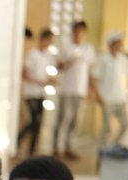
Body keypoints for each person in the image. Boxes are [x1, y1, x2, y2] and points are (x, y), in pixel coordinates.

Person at [53, 21, 95, 160]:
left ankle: (68, 147)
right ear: (73, 32)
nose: (78, 34)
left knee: (75, 121)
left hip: (80, 90)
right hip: (66, 88)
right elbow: (58, 65)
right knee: (63, 118)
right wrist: (69, 61)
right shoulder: (65, 46)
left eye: (81, 31)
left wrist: (90, 88)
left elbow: (89, 71)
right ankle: (56, 147)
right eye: (76, 31)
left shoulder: (88, 49)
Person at [18, 30, 55, 157]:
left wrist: (49, 80)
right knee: (33, 120)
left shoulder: (47, 56)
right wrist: (39, 81)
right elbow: (25, 73)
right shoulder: (32, 54)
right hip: (30, 92)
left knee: (39, 122)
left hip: (41, 93)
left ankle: (32, 149)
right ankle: (19, 139)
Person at [92, 32, 128, 146]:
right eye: (117, 43)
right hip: (107, 98)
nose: (120, 45)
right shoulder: (103, 59)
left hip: (120, 98)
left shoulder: (122, 59)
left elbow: (127, 76)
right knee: (106, 129)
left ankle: (113, 146)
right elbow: (94, 77)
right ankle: (102, 153)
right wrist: (97, 94)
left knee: (125, 125)